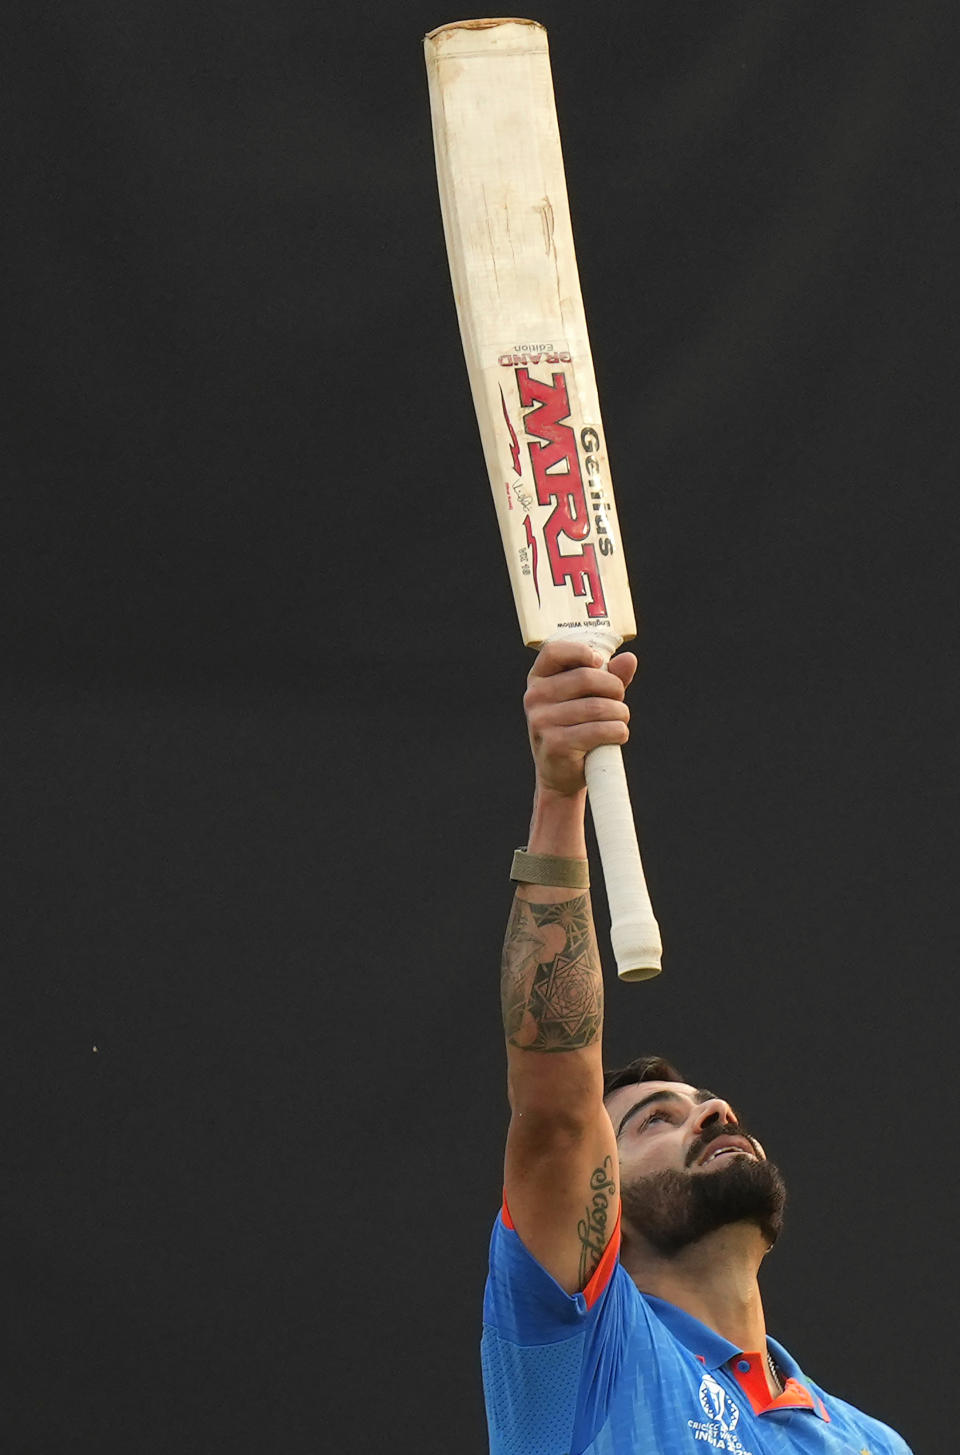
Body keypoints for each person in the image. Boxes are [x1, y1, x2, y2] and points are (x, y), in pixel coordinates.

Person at [483, 638, 913, 1455]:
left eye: (701, 1103)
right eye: (652, 1120)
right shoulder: (581, 1357)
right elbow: (557, 1112)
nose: (713, 1110)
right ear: (599, 1201)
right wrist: (559, 792)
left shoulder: (873, 1443)